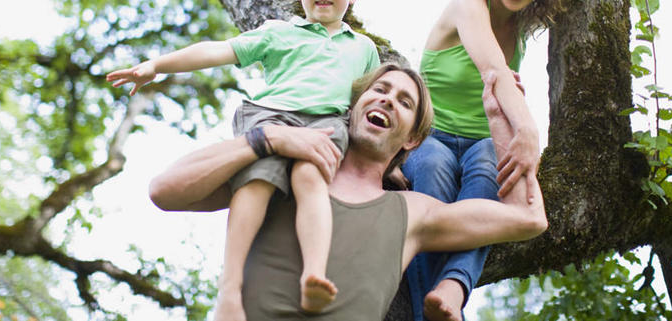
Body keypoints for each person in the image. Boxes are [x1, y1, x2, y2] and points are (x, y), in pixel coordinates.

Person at [106, 0, 379, 320]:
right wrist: (156, 66)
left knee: (311, 179)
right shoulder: (279, 33)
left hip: (326, 124)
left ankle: (314, 273)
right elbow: (216, 50)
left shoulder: (363, 48)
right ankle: (230, 288)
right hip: (270, 115)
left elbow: (367, 107)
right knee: (255, 182)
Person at [148, 63, 548, 320]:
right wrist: (266, 138)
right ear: (355, 106)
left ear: (411, 140)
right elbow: (165, 190)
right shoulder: (286, 172)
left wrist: (504, 119)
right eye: (380, 90)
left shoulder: (415, 213)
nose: (388, 100)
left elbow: (528, 218)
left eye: (404, 102)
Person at [400, 0, 578, 321]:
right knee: (433, 171)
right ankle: (424, 310)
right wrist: (529, 130)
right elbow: (493, 73)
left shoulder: (522, 23)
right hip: (431, 133)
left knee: (491, 177)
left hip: (483, 137)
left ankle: (453, 288)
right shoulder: (468, 1)